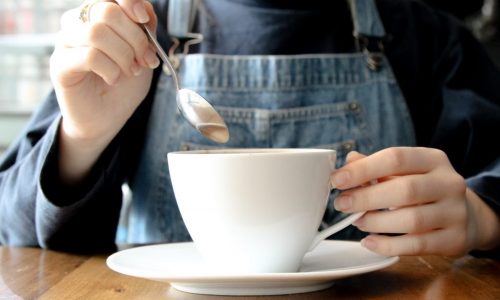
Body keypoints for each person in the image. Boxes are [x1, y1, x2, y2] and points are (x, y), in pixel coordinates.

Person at [0, 0, 499, 257]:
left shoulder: (420, 33)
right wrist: (83, 139)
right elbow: (13, 229)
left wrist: (483, 216)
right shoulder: (138, 35)